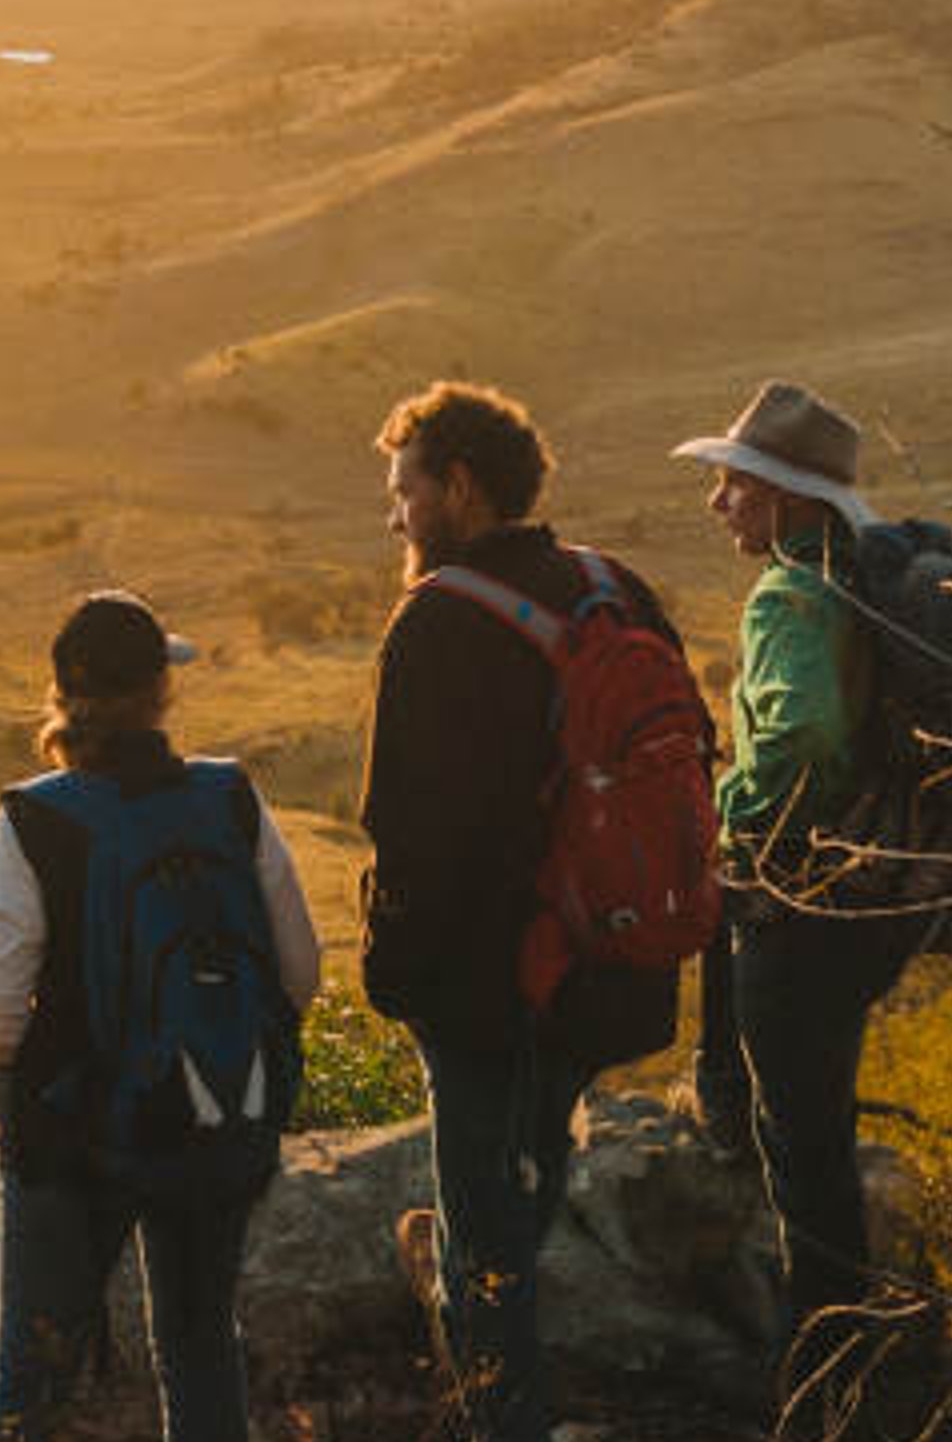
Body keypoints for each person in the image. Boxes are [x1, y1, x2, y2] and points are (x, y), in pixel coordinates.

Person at [357, 382, 677, 1442]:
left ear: (457, 487)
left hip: (487, 985)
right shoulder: (613, 587)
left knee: (483, 1230)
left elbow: (401, 827)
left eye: (404, 490)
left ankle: (501, 1413)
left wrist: (393, 975)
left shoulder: (438, 617)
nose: (394, 515)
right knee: (519, 1183)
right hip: (611, 966)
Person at [0, 590, 322, 1442]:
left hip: (68, 1139)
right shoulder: (230, 798)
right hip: (207, 1113)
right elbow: (297, 975)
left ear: (61, 699)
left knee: (32, 1371)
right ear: (163, 689)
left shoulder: (36, 820)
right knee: (199, 1347)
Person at [673, 380, 936, 1361]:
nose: (717, 503)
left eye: (735, 484)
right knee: (817, 1124)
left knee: (802, 1151)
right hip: (876, 895)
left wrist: (727, 826)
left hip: (805, 903)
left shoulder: (790, 592)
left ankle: (822, 1368)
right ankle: (850, 1348)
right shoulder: (864, 577)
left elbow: (805, 735)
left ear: (786, 498)